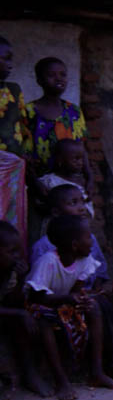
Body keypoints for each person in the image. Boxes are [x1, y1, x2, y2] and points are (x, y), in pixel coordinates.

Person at [24, 214, 113, 399]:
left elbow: (77, 290)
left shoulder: (84, 260)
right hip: (40, 306)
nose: (92, 241)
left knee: (93, 309)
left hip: (62, 304)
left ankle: (97, 372)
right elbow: (37, 296)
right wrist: (69, 298)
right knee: (45, 322)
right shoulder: (49, 261)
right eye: (88, 236)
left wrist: (82, 299)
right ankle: (61, 381)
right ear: (74, 245)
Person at [0, 220, 56, 398]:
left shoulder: (7, 270)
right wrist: (18, 313)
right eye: (11, 252)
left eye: (18, 250)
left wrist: (21, 278)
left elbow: (12, 300)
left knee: (25, 322)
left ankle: (30, 374)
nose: (17, 256)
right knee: (19, 316)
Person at [24, 57, 92, 195]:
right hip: (39, 183)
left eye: (63, 74)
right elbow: (24, 154)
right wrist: (34, 182)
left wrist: (89, 177)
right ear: (39, 81)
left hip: (70, 184)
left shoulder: (74, 111)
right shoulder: (28, 111)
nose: (58, 79)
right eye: (51, 75)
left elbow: (81, 148)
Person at [0, 37, 29, 249]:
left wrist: (23, 154)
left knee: (10, 218)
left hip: (13, 169)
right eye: (5, 58)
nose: (10, 64)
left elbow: (20, 126)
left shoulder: (14, 90)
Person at [37, 140, 94, 221]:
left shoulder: (83, 182)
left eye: (81, 159)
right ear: (60, 160)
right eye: (76, 159)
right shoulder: (50, 181)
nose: (80, 163)